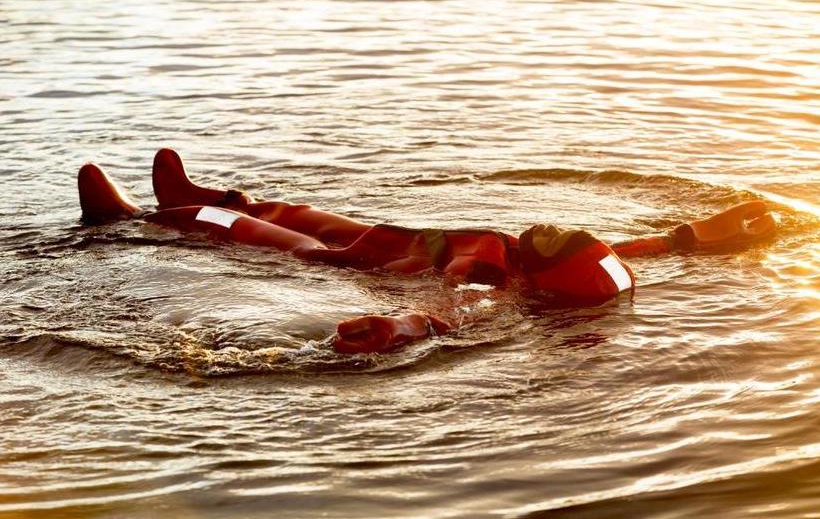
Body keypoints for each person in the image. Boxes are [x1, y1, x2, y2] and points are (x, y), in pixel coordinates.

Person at [77, 148, 777, 354]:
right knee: (295, 209)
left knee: (263, 234)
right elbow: (652, 248)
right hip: (388, 234)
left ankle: (132, 215)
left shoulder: (495, 283)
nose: (551, 226)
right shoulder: (577, 261)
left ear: (545, 276)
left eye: (556, 240)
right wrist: (722, 227)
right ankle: (206, 192)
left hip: (350, 262)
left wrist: (398, 329)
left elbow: (448, 315)